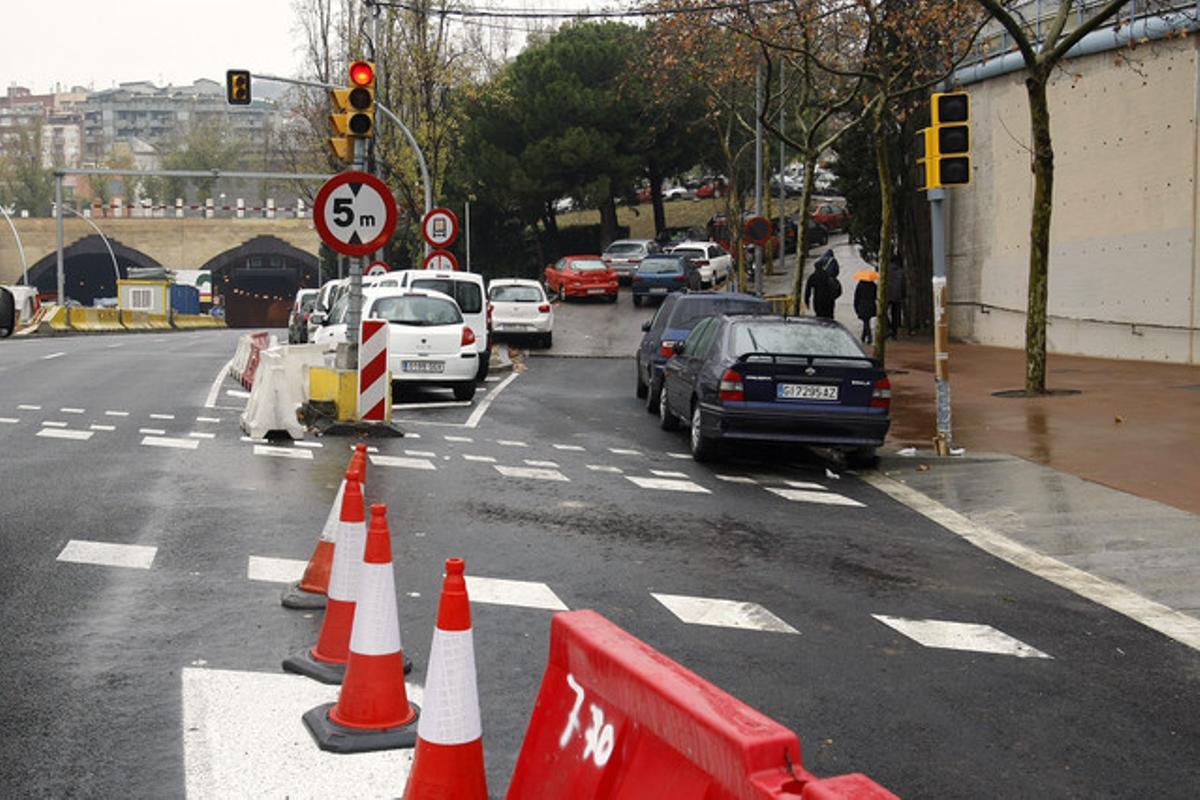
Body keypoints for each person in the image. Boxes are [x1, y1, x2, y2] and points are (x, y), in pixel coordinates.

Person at [804, 250, 841, 320]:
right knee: (829, 316)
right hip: (828, 300)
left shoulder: (812, 277)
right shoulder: (828, 276)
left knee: (819, 317)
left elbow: (807, 290)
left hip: (818, 301)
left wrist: (807, 301)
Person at [854, 272, 878, 343]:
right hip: (871, 305)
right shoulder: (874, 285)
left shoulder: (860, 285)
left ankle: (869, 337)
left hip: (862, 305)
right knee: (866, 321)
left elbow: (856, 297)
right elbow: (876, 296)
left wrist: (856, 307)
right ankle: (863, 336)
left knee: (866, 321)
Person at [887, 258, 905, 339]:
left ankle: (888, 327)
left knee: (883, 313)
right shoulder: (901, 272)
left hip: (887, 296)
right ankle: (894, 332)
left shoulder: (885, 271)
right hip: (897, 296)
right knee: (895, 315)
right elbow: (903, 285)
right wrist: (903, 295)